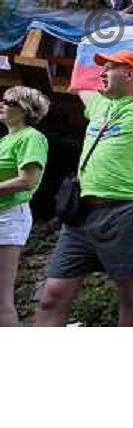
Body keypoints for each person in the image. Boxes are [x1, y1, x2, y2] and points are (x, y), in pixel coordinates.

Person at [35, 51, 133, 327]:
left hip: (125, 212)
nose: (102, 73)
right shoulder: (97, 104)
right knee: (53, 295)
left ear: (129, 75)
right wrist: (85, 48)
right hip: (79, 215)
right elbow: (79, 81)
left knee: (129, 294)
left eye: (109, 68)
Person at [0, 87, 50, 327]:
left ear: (24, 109)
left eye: (7, 101)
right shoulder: (5, 140)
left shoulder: (31, 137)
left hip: (9, 217)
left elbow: (27, 180)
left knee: (1, 298)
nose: (1, 104)